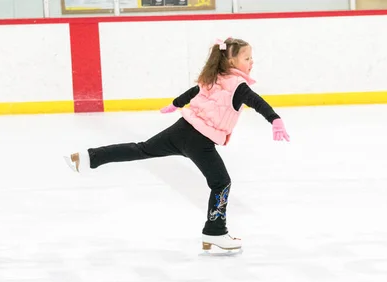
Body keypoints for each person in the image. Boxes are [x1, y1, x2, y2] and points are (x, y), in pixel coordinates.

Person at [64, 37, 290, 251]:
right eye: (247, 58)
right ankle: (215, 231)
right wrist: (275, 119)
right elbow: (257, 102)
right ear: (232, 61)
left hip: (181, 130)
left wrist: (175, 104)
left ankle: (88, 157)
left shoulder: (213, 77)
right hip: (199, 140)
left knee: (141, 149)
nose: (252, 62)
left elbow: (193, 92)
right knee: (221, 182)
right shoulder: (238, 85)